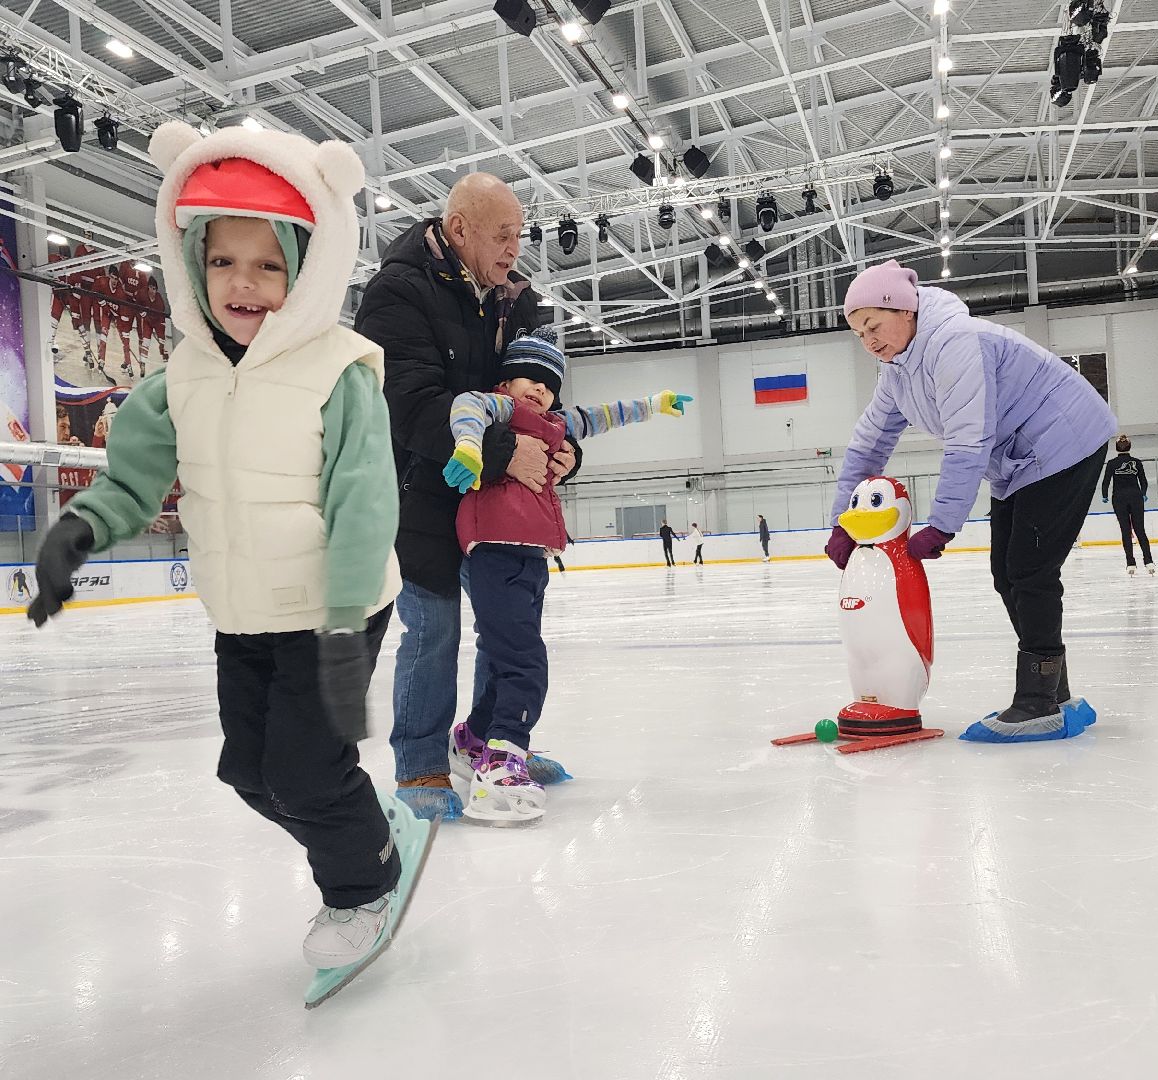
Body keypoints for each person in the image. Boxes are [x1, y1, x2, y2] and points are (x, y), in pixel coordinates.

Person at [26, 121, 415, 974]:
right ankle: (366, 831)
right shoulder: (179, 379)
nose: (244, 282)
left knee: (308, 773)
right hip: (241, 611)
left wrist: (349, 623)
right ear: (193, 265)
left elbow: (364, 501)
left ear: (305, 270)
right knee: (251, 774)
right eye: (223, 261)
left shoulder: (339, 369)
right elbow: (131, 481)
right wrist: (77, 531)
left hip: (328, 611)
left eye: (269, 264)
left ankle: (367, 882)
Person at [356, 171, 579, 820]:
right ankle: (421, 768)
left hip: (500, 502)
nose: (515, 248)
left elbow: (540, 390)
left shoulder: (516, 298)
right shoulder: (397, 293)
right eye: (502, 235)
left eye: (519, 235)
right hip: (420, 489)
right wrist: (509, 453)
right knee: (433, 627)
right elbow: (410, 405)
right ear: (459, 230)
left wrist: (564, 451)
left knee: (508, 628)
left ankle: (492, 745)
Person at [828, 260, 1116, 744]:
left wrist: (941, 524)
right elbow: (867, 445)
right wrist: (842, 524)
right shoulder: (897, 371)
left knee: (1031, 570)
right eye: (859, 334)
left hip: (1065, 440)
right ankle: (1056, 693)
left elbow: (967, 439)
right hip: (1018, 461)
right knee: (1007, 573)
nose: (869, 341)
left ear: (904, 310)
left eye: (873, 326)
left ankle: (1039, 701)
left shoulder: (955, 342)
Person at [441, 329, 690, 822]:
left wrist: (653, 403)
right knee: (525, 664)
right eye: (527, 379)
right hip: (496, 551)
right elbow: (465, 410)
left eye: (548, 384)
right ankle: (504, 759)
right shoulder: (500, 408)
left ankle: (472, 741)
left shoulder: (554, 423)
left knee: (507, 657)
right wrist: (469, 448)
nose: (537, 390)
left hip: (532, 557)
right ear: (507, 380)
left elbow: (601, 417)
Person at [1101, 435, 1152, 575]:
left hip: (1119, 498)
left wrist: (1104, 495)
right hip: (1136, 497)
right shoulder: (1136, 462)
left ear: (1116, 447)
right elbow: (1144, 481)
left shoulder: (1112, 463)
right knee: (1140, 529)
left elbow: (1106, 482)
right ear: (1130, 446)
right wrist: (1143, 493)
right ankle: (1148, 561)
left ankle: (1130, 563)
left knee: (1126, 530)